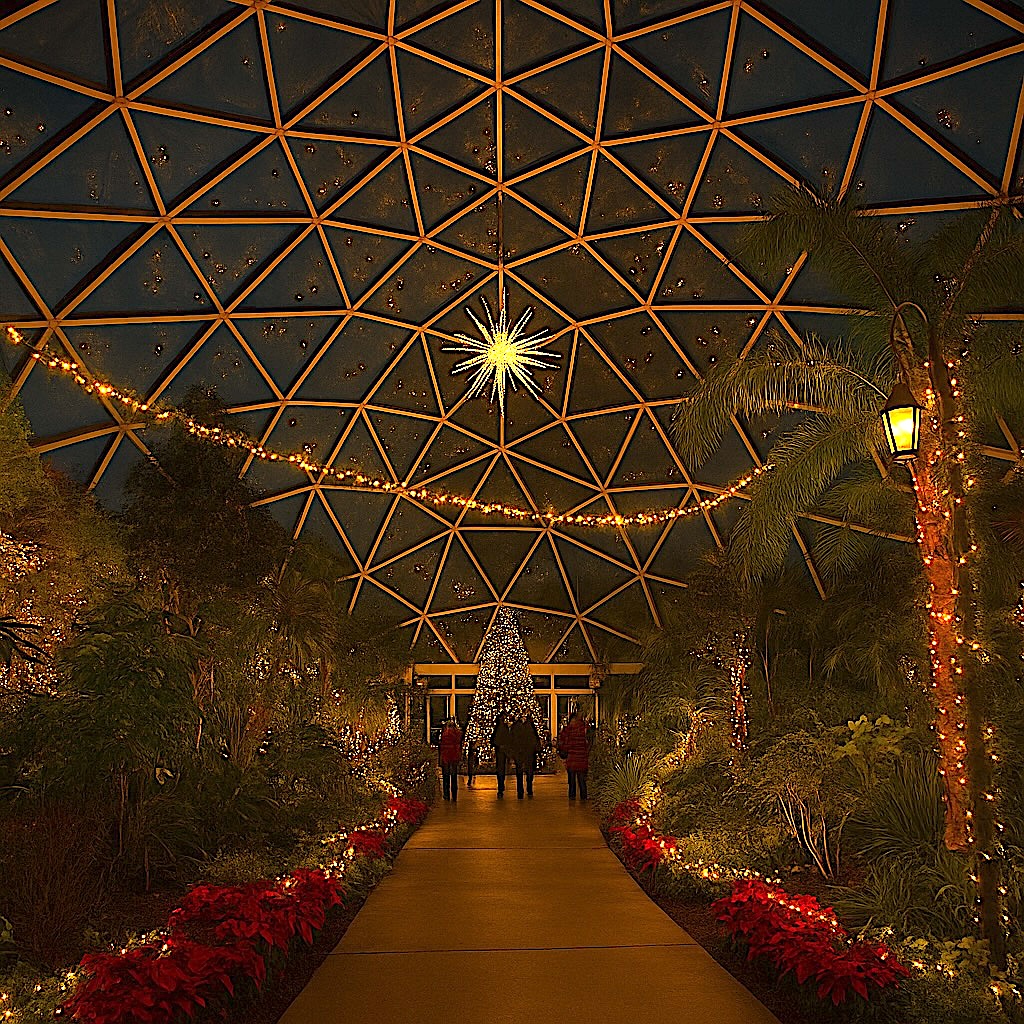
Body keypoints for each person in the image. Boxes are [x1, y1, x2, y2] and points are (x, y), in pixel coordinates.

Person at [558, 711, 591, 801]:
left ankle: (572, 797)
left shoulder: (568, 730)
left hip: (571, 759)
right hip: (582, 759)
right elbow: (588, 744)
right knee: (582, 780)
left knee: (571, 781)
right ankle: (583, 797)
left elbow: (563, 744)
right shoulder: (584, 729)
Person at [507, 714, 541, 799]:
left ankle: (524, 790)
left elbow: (511, 739)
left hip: (525, 751)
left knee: (524, 771)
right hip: (523, 751)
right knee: (524, 771)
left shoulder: (518, 726)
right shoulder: (527, 726)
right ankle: (525, 790)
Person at [439, 718, 463, 802]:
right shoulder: (458, 734)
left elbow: (441, 744)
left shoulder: (445, 734)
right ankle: (454, 794)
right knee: (454, 775)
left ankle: (446, 794)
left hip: (446, 755)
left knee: (446, 776)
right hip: (454, 755)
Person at [490, 711, 512, 799]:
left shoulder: (498, 727)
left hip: (500, 750)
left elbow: (494, 739)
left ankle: (501, 786)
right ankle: (501, 786)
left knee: (500, 768)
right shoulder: (503, 727)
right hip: (502, 750)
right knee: (501, 769)